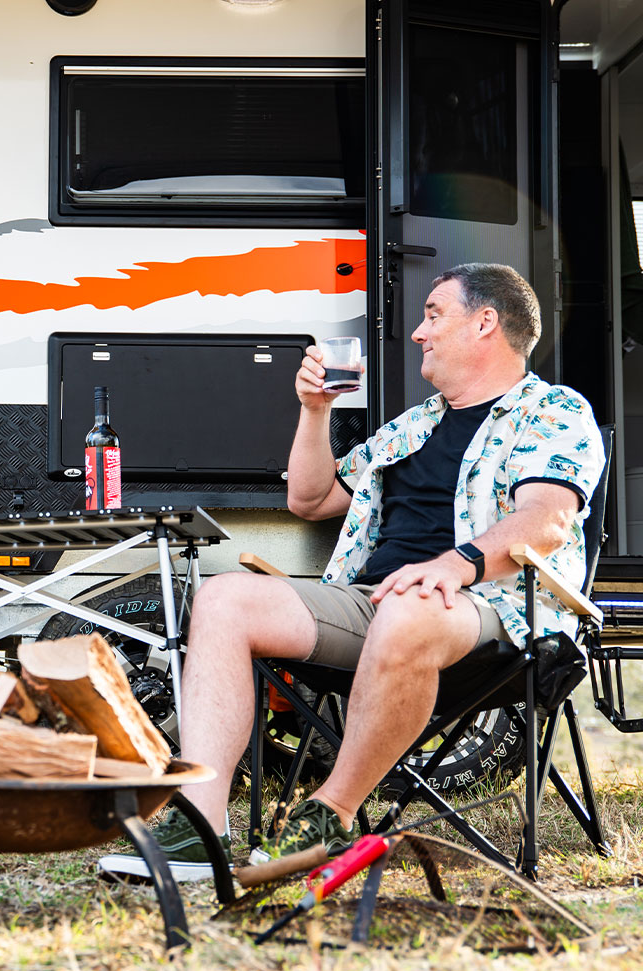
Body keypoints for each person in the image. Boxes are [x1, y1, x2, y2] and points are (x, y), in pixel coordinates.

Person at [100, 263, 605, 881]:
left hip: (494, 609)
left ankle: (331, 814)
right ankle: (200, 826)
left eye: (433, 314)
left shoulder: (551, 410)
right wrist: (315, 411)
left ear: (485, 322)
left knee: (409, 607)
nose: (418, 333)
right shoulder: (416, 424)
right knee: (226, 598)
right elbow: (311, 500)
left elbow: (547, 519)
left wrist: (454, 565)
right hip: (376, 602)